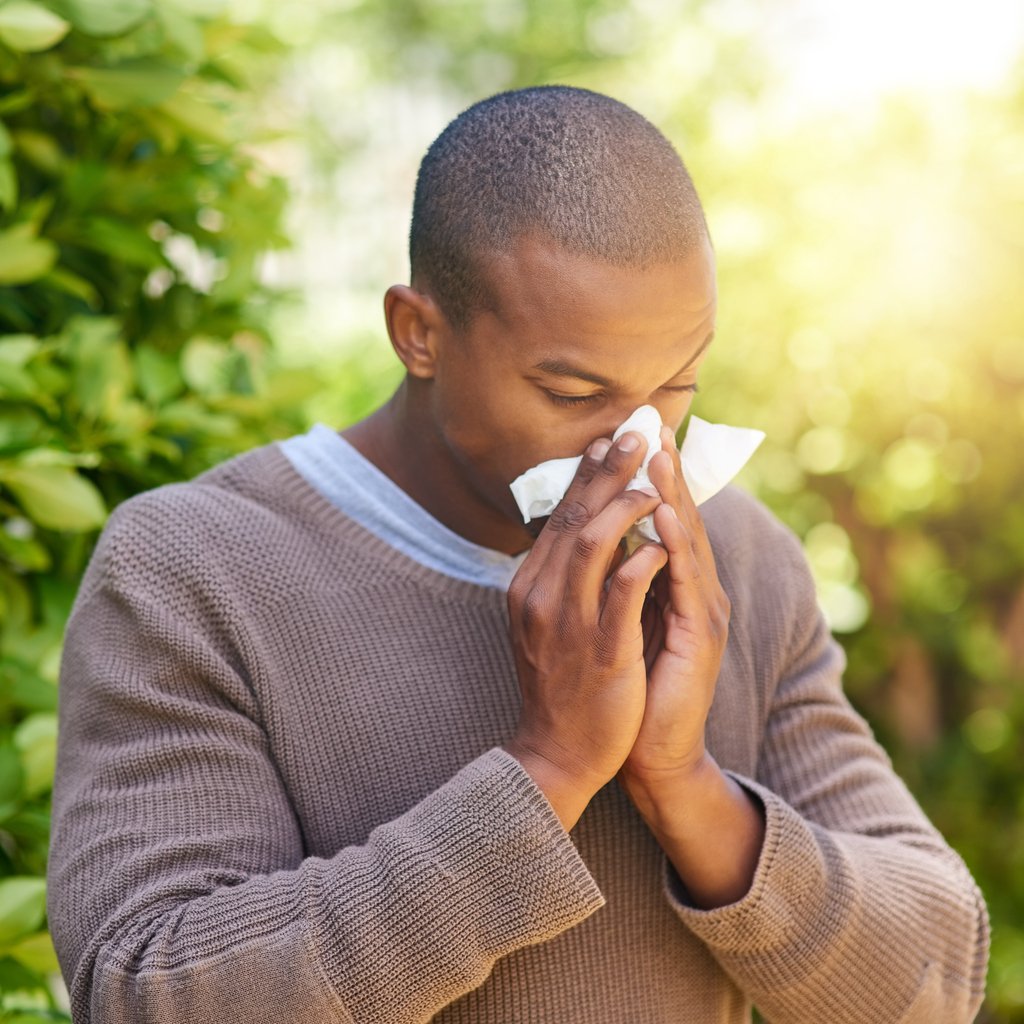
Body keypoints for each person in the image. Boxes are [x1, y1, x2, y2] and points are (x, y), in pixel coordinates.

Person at [48, 86, 988, 1024]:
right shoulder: (193, 568)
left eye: (676, 383)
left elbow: (934, 984)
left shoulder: (736, 558)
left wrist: (686, 789)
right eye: (574, 392)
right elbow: (145, 994)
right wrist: (553, 767)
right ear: (419, 332)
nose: (636, 445)